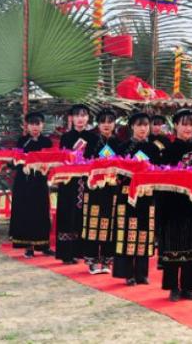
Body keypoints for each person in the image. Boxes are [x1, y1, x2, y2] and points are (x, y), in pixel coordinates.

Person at [159, 109, 192, 302]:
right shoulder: (167, 150)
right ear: (176, 125)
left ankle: (189, 287)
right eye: (184, 124)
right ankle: (173, 287)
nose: (189, 128)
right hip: (173, 205)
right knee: (173, 244)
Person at [113, 113, 161, 286]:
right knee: (127, 232)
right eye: (139, 125)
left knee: (145, 233)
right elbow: (116, 172)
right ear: (132, 126)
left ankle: (142, 273)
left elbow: (158, 171)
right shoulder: (123, 147)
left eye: (146, 125)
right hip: (127, 195)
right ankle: (127, 273)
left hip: (147, 196)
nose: (143, 128)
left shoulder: (154, 148)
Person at [81, 108, 121, 275]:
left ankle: (106, 259)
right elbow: (83, 161)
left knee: (110, 223)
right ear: (98, 124)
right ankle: (91, 260)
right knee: (93, 222)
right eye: (103, 121)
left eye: (110, 121)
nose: (106, 124)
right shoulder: (90, 140)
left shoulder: (119, 143)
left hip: (112, 189)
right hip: (94, 188)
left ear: (114, 124)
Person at [9, 112, 54, 257]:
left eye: (38, 124)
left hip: (40, 181)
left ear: (42, 125)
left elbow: (51, 161)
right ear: (26, 126)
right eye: (32, 124)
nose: (35, 127)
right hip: (24, 182)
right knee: (25, 212)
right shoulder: (22, 141)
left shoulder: (47, 142)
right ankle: (28, 246)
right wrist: (22, 165)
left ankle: (44, 245)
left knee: (41, 212)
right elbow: (14, 161)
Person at [57, 104, 97, 264]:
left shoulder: (94, 138)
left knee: (84, 215)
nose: (80, 118)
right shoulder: (65, 137)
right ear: (71, 118)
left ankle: (82, 252)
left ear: (88, 118)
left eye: (84, 115)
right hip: (69, 181)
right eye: (77, 115)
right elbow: (62, 159)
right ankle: (67, 254)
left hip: (87, 182)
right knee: (68, 214)